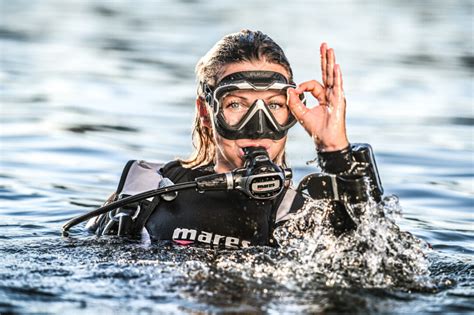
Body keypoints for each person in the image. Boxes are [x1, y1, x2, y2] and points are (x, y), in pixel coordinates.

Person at [84, 30, 383, 248]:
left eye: (275, 106)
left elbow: (381, 275)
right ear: (206, 111)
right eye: (237, 104)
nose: (257, 128)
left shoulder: (300, 213)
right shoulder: (149, 192)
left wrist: (335, 151)